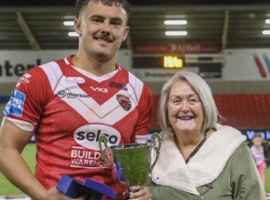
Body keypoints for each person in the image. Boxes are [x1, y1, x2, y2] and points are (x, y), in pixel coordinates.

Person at [0, 0, 153, 200]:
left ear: (124, 33)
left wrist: (142, 189)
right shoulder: (41, 79)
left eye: (115, 23)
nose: (106, 29)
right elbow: (5, 147)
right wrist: (42, 196)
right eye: (97, 20)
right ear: (78, 26)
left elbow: (136, 166)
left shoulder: (140, 92)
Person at [149, 70, 265, 199]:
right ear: (166, 108)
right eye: (176, 101)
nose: (185, 108)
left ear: (205, 106)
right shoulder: (154, 153)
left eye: (193, 100)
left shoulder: (234, 150)